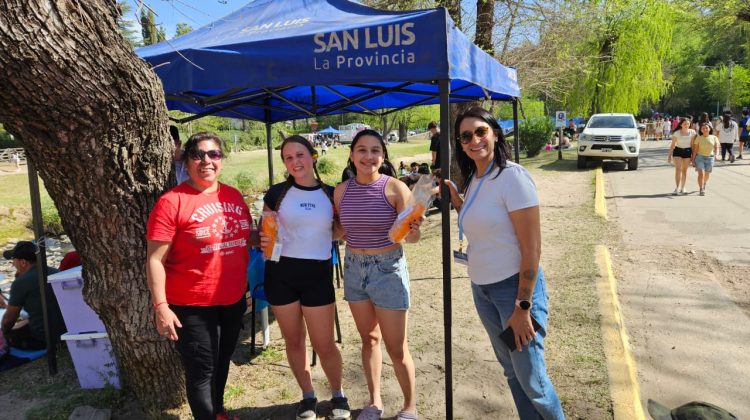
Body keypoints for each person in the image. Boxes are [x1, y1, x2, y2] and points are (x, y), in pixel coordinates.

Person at [441, 107, 565, 419]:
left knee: (533, 381)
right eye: (466, 136)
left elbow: (532, 247)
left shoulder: (512, 177)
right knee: (511, 372)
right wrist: (458, 201)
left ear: (495, 133)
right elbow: (486, 227)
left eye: (481, 131)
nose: (474, 140)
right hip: (482, 290)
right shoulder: (477, 179)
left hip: (513, 292)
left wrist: (523, 307)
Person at [146, 132, 250, 420]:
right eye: (198, 155)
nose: (207, 161)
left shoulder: (233, 195)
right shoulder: (172, 202)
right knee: (202, 369)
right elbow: (155, 259)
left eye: (214, 154)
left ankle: (217, 411)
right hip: (191, 304)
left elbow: (238, 236)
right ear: (187, 161)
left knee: (222, 361)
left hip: (231, 299)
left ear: (222, 160)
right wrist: (161, 307)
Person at [334, 129, 422, 420]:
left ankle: (409, 407)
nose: (368, 156)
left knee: (397, 347)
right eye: (361, 150)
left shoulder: (396, 188)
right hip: (354, 269)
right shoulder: (341, 191)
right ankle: (374, 403)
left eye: (375, 151)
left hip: (388, 270)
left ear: (383, 156)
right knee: (369, 340)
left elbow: (410, 239)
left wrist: (414, 228)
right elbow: (341, 231)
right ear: (351, 154)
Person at [260, 135, 350, 420]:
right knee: (294, 341)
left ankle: (338, 395)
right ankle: (308, 397)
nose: (295, 162)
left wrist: (340, 231)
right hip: (281, 274)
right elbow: (266, 232)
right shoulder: (276, 194)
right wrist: (263, 239)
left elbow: (338, 231)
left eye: (300, 155)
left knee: (324, 343)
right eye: (288, 158)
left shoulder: (330, 193)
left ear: (313, 156)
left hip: (317, 276)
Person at [1, 241, 66, 350]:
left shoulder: (21, 282)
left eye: (14, 260)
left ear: (23, 262)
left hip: (43, 338)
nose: (12, 264)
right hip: (66, 330)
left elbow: (9, 320)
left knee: (10, 334)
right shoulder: (55, 271)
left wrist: (4, 332)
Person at [667, 118, 696, 195]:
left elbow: (692, 145)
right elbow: (673, 145)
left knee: (684, 170)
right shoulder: (676, 133)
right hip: (678, 151)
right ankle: (677, 187)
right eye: (685, 124)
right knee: (678, 169)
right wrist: (669, 156)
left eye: (688, 124)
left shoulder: (692, 132)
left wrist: (693, 156)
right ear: (681, 125)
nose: (686, 125)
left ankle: (683, 187)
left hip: (687, 151)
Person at [691, 123, 719, 196]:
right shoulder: (699, 138)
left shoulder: (714, 137)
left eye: (706, 128)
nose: (705, 129)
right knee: (701, 173)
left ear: (709, 129)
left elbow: (717, 147)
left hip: (710, 158)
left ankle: (704, 183)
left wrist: (716, 155)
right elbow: (695, 150)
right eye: (703, 128)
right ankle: (701, 188)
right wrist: (693, 160)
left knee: (707, 173)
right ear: (701, 130)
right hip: (700, 157)